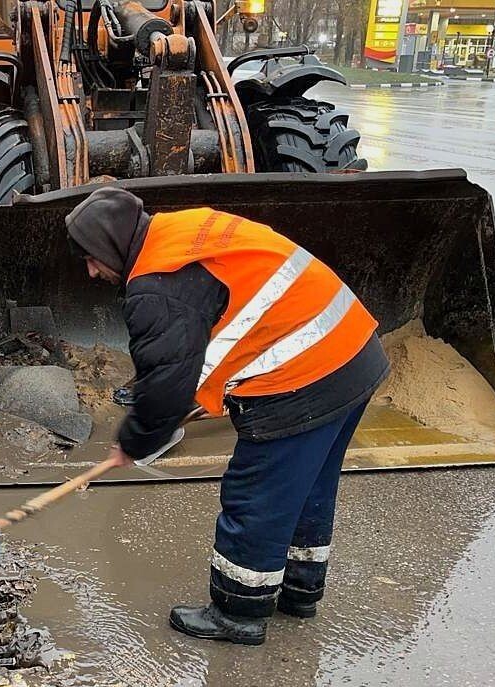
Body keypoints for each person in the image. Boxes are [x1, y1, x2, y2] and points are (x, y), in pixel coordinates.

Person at [65, 187, 389, 645]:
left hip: (304, 375)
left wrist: (135, 441)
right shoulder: (182, 229)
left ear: (110, 245)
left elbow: (167, 387)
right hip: (353, 351)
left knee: (256, 494)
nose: (91, 270)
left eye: (91, 257)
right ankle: (299, 591)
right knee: (308, 486)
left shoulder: (156, 286)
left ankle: (238, 612)